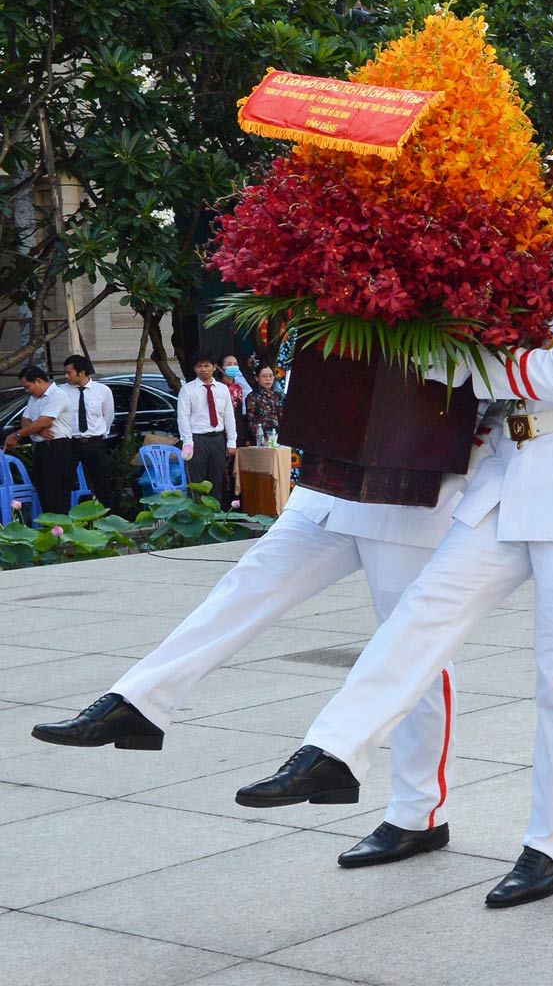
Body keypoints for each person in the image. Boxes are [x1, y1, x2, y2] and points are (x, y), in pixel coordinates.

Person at [234, 101, 553, 908]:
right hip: (506, 475)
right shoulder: (519, 267)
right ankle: (331, 752)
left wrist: (470, 366)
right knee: (421, 615)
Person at [31, 435, 494, 869]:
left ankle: (418, 815)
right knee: (245, 586)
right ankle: (139, 702)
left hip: (409, 490)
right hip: (329, 487)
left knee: (414, 652)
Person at [6, 365, 77, 510]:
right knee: (44, 492)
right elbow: (25, 420)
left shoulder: (58, 395)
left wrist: (17, 435)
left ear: (38, 381)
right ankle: (49, 529)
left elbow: (44, 421)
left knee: (56, 493)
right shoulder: (35, 398)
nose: (27, 390)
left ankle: (60, 529)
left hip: (57, 447)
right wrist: (37, 430)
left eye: (28, 386)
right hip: (41, 449)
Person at [176, 353, 237, 492]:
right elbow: (183, 417)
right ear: (194, 369)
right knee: (196, 483)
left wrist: (231, 442)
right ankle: (197, 513)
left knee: (216, 482)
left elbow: (229, 416)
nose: (203, 369)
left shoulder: (223, 389)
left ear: (214, 367)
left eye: (206, 366)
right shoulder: (187, 389)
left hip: (217, 439)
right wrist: (188, 443)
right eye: (199, 366)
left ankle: (215, 513)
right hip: (197, 440)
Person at [62, 355, 115, 500]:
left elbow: (108, 415)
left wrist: (101, 434)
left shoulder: (102, 390)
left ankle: (107, 518)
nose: (67, 376)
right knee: (64, 481)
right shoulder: (61, 391)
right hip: (70, 443)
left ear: (82, 372)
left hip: (94, 442)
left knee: (102, 483)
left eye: (70, 372)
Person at [243, 363, 284, 446]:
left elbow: (281, 417)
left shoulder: (277, 396)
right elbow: (250, 421)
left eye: (270, 376)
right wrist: (263, 436)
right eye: (264, 376)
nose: (268, 379)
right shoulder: (252, 396)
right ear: (257, 378)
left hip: (276, 436)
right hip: (259, 437)